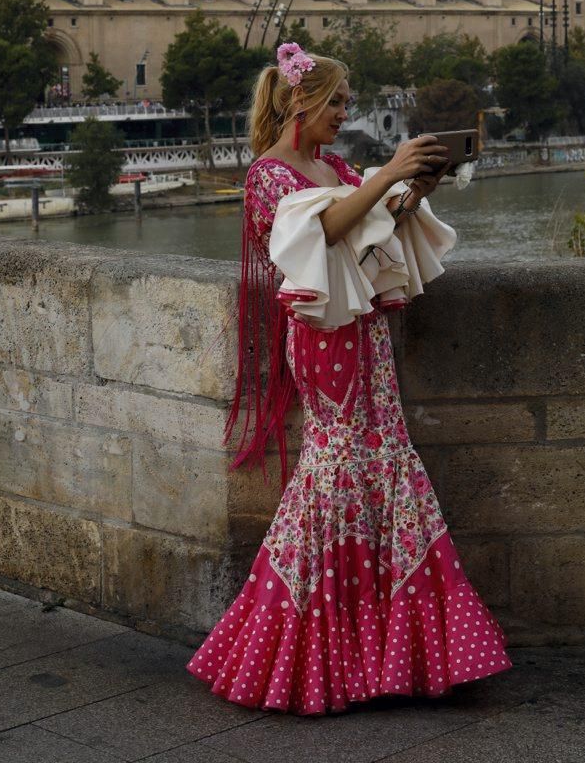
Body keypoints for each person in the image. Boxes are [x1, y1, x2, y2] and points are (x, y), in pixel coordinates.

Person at [187, 44, 511, 714]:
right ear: (299, 103)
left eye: (344, 103)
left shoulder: (332, 165)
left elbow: (368, 226)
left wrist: (412, 187)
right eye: (335, 102)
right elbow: (327, 229)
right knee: (337, 469)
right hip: (322, 340)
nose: (343, 113)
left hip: (363, 333)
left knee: (381, 462)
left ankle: (384, 657)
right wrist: (386, 170)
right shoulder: (268, 176)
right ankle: (307, 649)